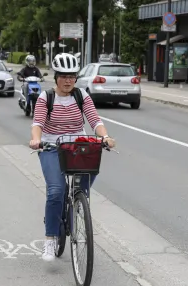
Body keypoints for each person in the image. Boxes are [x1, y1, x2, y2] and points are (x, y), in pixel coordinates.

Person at [29, 53, 116, 262]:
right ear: (56, 77)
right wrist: (36, 140)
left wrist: (105, 136)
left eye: (72, 76)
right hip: (51, 146)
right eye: (63, 76)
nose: (68, 80)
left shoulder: (81, 96)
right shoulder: (46, 97)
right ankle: (50, 239)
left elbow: (95, 120)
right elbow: (38, 124)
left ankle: (77, 205)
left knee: (82, 189)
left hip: (77, 147)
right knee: (56, 190)